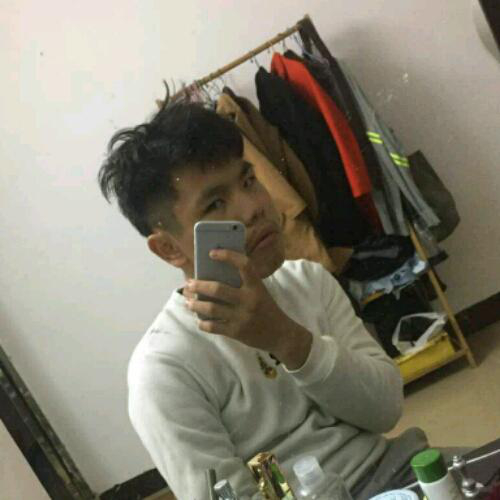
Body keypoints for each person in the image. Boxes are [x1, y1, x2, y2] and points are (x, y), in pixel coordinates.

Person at [97, 94, 437, 500]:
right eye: (216, 203)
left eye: (248, 181)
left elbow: (385, 410)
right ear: (169, 248)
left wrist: (288, 339)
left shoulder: (309, 281)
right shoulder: (164, 370)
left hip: (397, 471)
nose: (255, 207)